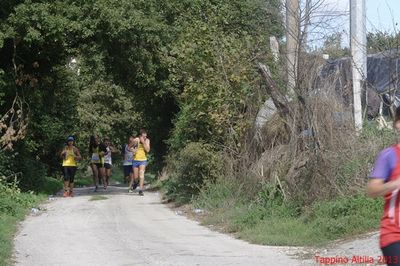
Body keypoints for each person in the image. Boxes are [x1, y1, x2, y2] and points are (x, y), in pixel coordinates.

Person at [368, 106, 400, 266]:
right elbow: (372, 189)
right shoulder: (389, 156)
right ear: (397, 124)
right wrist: (395, 183)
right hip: (394, 235)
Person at [132, 129, 150, 196]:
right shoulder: (136, 140)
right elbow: (131, 148)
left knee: (141, 174)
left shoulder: (147, 141)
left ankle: (140, 190)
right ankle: (136, 182)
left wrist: (143, 142)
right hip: (135, 160)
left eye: (145, 136)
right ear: (140, 136)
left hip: (143, 160)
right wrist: (133, 151)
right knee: (136, 178)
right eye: (143, 136)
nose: (145, 137)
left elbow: (147, 150)